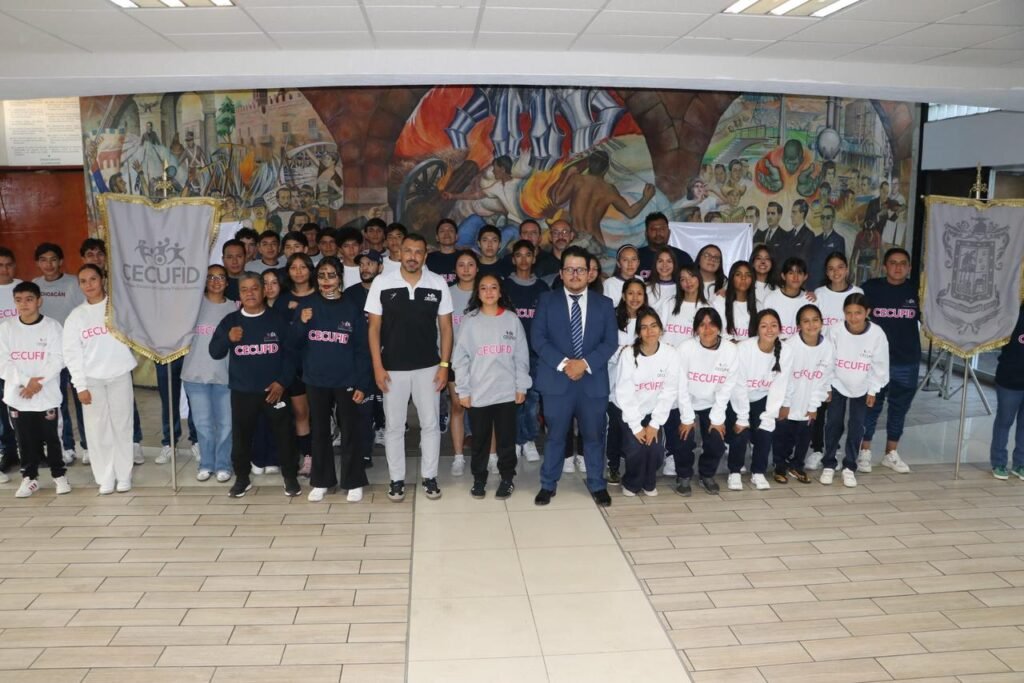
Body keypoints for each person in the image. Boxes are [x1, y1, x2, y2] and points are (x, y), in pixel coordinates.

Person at [366, 233, 453, 502]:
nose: (412, 257)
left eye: (418, 252)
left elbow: (446, 328)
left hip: (429, 367)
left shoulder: (437, 283)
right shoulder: (382, 282)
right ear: (399, 253)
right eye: (408, 251)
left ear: (425, 256)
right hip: (392, 368)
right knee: (394, 427)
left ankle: (430, 477)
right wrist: (378, 367)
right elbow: (374, 328)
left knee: (430, 425)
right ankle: (396, 480)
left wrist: (444, 366)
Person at [531, 246, 618, 507]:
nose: (575, 274)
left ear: (590, 273)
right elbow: (538, 339)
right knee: (555, 436)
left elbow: (610, 342)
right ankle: (548, 484)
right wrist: (565, 364)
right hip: (557, 380)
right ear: (561, 273)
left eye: (580, 269)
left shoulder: (604, 304)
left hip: (592, 381)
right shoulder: (547, 300)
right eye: (569, 269)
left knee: (594, 436)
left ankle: (597, 484)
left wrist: (584, 364)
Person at [209, 273, 300, 498]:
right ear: (239, 294)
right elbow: (215, 352)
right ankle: (242, 478)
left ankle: (290, 477)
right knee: (241, 438)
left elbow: (292, 355)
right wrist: (228, 338)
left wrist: (282, 382)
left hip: (275, 391)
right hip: (243, 392)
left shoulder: (277, 319)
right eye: (244, 289)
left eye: (254, 288)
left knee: (285, 436)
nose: (249, 293)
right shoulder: (231, 321)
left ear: (263, 291)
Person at [292, 257, 372, 502]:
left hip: (347, 379)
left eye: (331, 275)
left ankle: (353, 481)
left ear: (340, 278)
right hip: (316, 380)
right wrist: (301, 323)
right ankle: (321, 481)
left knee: (350, 431)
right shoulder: (306, 306)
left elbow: (362, 349)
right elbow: (293, 344)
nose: (326, 280)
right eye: (322, 275)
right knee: (319, 432)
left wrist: (362, 383)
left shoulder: (352, 307)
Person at [453, 273, 531, 499]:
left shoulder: (512, 319)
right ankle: (479, 479)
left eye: (493, 287)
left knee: (506, 440)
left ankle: (507, 479)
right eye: (484, 288)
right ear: (477, 293)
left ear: (500, 292)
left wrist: (521, 386)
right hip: (479, 394)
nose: (489, 292)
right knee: (480, 441)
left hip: (506, 393)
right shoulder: (470, 321)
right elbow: (460, 358)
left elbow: (521, 357)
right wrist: (463, 390)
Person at [62, 264, 138, 494]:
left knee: (122, 426)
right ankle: (105, 477)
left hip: (119, 375)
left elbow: (135, 333)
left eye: (93, 279)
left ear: (103, 279)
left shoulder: (118, 308)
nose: (89, 285)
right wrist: (80, 386)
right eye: (83, 281)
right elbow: (71, 354)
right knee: (97, 430)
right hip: (92, 380)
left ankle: (123, 475)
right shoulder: (76, 316)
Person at [0, 281, 69, 496]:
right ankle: (29, 478)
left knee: (52, 438)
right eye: (19, 300)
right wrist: (25, 381)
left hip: (46, 395)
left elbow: (58, 358)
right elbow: (3, 362)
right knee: (24, 440)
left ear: (39, 301)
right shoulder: (6, 328)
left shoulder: (52, 327)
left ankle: (59, 475)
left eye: (29, 299)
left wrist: (38, 383)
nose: (24, 304)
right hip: (18, 395)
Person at [858, 247, 917, 475]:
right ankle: (864, 452)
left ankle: (891, 453)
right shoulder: (870, 289)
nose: (898, 267)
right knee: (870, 408)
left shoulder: (917, 291)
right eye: (893, 262)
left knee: (899, 409)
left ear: (909, 268)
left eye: (903, 263)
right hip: (875, 362)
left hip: (906, 361)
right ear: (884, 266)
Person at [822, 293, 889, 488]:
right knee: (833, 423)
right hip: (837, 384)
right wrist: (827, 386)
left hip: (863, 387)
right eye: (849, 313)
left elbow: (881, 365)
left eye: (858, 313)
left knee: (857, 426)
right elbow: (827, 360)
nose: (853, 317)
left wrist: (873, 390)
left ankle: (849, 466)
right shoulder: (835, 331)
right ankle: (829, 463)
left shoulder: (877, 334)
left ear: (867, 312)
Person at [804, 252, 863, 469]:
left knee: (839, 413)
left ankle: (834, 449)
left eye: (840, 267)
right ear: (826, 272)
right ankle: (817, 449)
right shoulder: (818, 294)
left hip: (848, 363)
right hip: (822, 360)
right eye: (831, 268)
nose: (836, 272)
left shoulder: (857, 293)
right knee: (819, 407)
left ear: (847, 269)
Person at [615, 306, 678, 497]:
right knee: (635, 449)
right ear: (638, 332)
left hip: (654, 412)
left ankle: (649, 481)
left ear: (661, 329)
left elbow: (669, 391)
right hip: (631, 412)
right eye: (644, 327)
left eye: (653, 326)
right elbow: (624, 393)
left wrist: (654, 424)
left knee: (656, 450)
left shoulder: (670, 353)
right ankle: (632, 483)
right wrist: (636, 426)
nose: (649, 331)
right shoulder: (628, 354)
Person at [673, 307, 737, 496]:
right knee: (684, 437)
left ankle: (706, 474)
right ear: (696, 329)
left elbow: (727, 387)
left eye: (712, 324)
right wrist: (687, 418)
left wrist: (717, 419)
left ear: (719, 327)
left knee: (717, 441)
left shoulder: (730, 350)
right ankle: (683, 475)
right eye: (702, 325)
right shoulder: (685, 348)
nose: (707, 329)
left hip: (713, 403)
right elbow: (680, 386)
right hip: (686, 401)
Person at [32, 243, 85, 466]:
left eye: (53, 259)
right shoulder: (35, 285)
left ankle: (88, 447)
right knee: (58, 402)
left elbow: (84, 315)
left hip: (75, 351)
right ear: (38, 263)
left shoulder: (74, 283)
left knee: (83, 399)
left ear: (61, 261)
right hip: (50, 355)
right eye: (43, 260)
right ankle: (67, 447)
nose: (49, 264)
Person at [182, 264, 236, 483]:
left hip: (225, 375)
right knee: (203, 424)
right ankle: (206, 464)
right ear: (204, 281)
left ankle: (223, 464)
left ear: (227, 282)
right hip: (195, 374)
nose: (216, 281)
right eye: (211, 277)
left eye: (221, 277)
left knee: (226, 424)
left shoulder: (234, 308)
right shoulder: (193, 305)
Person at [728, 309, 791, 491]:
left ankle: (758, 472)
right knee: (740, 431)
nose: (769, 330)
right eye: (764, 326)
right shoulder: (743, 348)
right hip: (738, 397)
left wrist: (770, 414)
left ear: (780, 328)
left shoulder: (786, 351)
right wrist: (742, 416)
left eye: (773, 325)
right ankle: (734, 472)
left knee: (765, 431)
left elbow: (780, 385)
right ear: (757, 329)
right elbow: (738, 385)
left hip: (763, 397)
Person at [503, 240, 548, 463]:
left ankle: (529, 439)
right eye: (518, 255)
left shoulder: (542, 288)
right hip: (509, 352)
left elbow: (548, 321)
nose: (523, 259)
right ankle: (515, 439)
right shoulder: (504, 287)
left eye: (527, 255)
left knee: (532, 400)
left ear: (534, 258)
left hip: (536, 353)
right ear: (513, 259)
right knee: (512, 398)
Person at [775, 304, 833, 480]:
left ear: (822, 322)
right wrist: (785, 403)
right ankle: (779, 466)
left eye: (815, 320)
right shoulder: (789, 346)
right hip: (788, 401)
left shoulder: (828, 347)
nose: (811, 325)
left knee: (804, 436)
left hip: (809, 401)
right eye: (806, 321)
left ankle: (797, 465)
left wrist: (814, 405)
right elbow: (783, 379)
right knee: (783, 436)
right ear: (798, 325)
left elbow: (823, 378)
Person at [607, 278, 647, 485]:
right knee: (615, 424)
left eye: (639, 293)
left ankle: (635, 464)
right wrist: (623, 353)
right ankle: (612, 464)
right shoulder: (612, 317)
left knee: (635, 423)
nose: (635, 298)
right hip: (615, 381)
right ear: (623, 296)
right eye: (630, 293)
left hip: (642, 384)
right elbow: (605, 346)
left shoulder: (648, 319)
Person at [447, 250, 479, 477]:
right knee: (458, 407)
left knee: (484, 409)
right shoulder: (447, 294)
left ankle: (491, 456)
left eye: (470, 264)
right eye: (461, 265)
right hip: (454, 362)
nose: (466, 269)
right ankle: (458, 457)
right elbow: (441, 329)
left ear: (477, 268)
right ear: (455, 269)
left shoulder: (485, 292)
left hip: (483, 362)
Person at [991, 303, 1024, 480]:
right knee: (1004, 421)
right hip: (1010, 379)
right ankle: (999, 462)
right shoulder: (1012, 313)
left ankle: (1020, 464)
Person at [0, 247, 22, 473]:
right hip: (1, 362)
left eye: (8, 265)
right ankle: (8, 451)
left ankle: (31, 450)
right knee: (2, 410)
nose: (4, 269)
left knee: (24, 408)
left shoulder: (22, 288)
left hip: (23, 362)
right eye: (0, 265)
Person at [658, 263, 711, 348]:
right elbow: (658, 329)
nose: (688, 282)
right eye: (683, 279)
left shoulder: (708, 307)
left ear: (699, 279)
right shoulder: (669, 303)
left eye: (692, 276)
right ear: (679, 284)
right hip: (667, 353)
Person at [763, 257, 811, 339]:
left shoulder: (809, 299)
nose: (795, 277)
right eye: (791, 273)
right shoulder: (771, 299)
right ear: (783, 276)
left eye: (799, 273)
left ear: (805, 276)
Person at [636, 212, 692, 279]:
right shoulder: (636, 257)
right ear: (646, 233)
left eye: (662, 229)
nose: (658, 233)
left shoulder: (683, 258)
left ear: (669, 232)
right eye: (653, 229)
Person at [715, 261, 757, 343]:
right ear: (732, 278)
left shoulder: (758, 305)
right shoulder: (719, 301)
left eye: (748, 275)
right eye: (738, 274)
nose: (743, 278)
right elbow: (716, 331)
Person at [808, 205, 846, 287]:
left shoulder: (839, 240)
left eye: (828, 217)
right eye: (822, 217)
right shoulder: (815, 240)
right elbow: (810, 263)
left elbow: (838, 266)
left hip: (827, 284)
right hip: (812, 284)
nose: (825, 220)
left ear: (833, 219)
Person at [425, 218, 459, 285]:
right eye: (442, 231)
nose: (447, 234)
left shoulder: (464, 258)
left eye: (451, 230)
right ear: (437, 238)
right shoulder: (427, 259)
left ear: (456, 236)